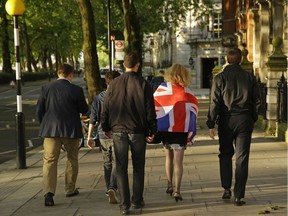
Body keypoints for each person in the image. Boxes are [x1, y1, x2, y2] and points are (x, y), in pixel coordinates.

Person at [101, 52, 157, 215]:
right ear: (137, 64)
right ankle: (137, 200)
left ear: (124, 65)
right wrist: (152, 129)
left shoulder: (114, 83)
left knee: (121, 167)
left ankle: (124, 205)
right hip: (138, 131)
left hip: (118, 130)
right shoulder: (143, 83)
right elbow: (149, 109)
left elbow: (106, 107)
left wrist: (105, 127)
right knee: (139, 166)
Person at [206, 48, 261, 206]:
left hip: (226, 120)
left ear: (226, 60)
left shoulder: (220, 78)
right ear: (241, 60)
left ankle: (226, 188)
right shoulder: (249, 78)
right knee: (242, 158)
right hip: (244, 119)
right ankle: (239, 195)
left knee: (225, 154)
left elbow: (214, 102)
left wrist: (211, 123)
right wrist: (252, 117)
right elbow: (257, 101)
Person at [36, 63, 89, 206]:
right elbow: (84, 110)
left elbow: (39, 110)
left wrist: (45, 124)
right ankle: (70, 189)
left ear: (58, 73)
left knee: (49, 161)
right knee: (72, 159)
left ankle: (48, 194)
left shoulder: (46, 88)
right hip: (71, 130)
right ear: (70, 74)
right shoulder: (76, 90)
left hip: (51, 131)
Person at [153, 63, 198, 202]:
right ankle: (177, 191)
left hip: (166, 129)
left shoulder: (161, 90)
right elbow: (194, 110)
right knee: (179, 161)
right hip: (180, 130)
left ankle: (169, 184)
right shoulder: (187, 92)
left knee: (168, 157)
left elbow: (154, 106)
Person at [87, 70, 121, 204]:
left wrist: (89, 137)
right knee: (118, 162)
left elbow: (93, 119)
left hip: (102, 134)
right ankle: (113, 186)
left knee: (107, 162)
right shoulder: (120, 97)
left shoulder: (98, 98)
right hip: (118, 133)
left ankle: (108, 189)